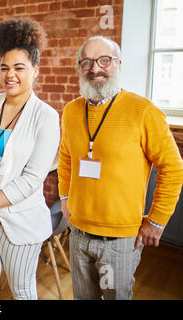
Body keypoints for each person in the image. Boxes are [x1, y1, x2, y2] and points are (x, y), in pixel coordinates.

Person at [58, 35, 183, 300]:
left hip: (119, 242)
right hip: (78, 234)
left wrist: (157, 222)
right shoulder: (71, 111)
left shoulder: (143, 111)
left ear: (119, 64)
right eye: (87, 62)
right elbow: (66, 159)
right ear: (80, 69)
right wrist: (65, 198)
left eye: (105, 60)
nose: (96, 69)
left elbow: (173, 168)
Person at [0, 18, 60, 300]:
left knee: (22, 290)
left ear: (35, 71)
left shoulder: (46, 117)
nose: (10, 75)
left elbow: (31, 180)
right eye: (4, 68)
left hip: (19, 220)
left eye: (19, 68)